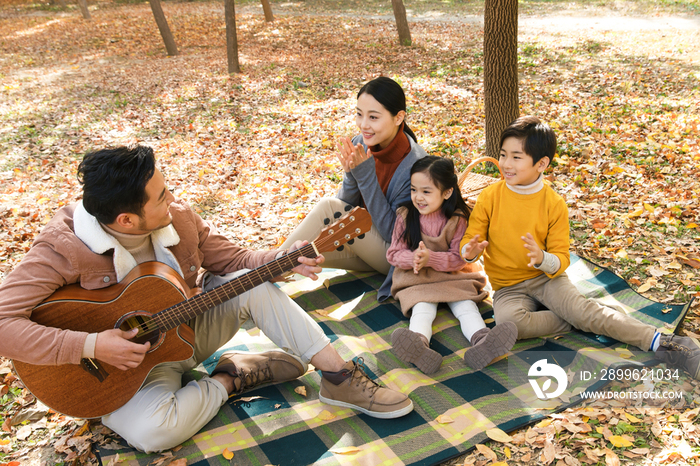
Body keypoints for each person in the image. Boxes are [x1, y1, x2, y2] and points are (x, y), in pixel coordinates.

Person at [0, 146, 414, 454]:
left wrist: (283, 260)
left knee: (251, 282)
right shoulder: (63, 248)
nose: (172, 198)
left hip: (185, 333)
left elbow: (233, 260)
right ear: (126, 220)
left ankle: (339, 377)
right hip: (115, 373)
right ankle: (231, 376)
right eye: (160, 195)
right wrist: (91, 345)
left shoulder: (178, 218)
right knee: (152, 435)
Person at [460, 116, 700, 379]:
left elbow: (561, 259)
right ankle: (579, 317)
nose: (505, 163)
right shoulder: (490, 196)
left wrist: (542, 258)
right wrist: (469, 251)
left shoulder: (553, 203)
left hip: (546, 279)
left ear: (541, 164)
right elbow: (471, 239)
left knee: (581, 310)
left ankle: (664, 343)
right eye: (503, 155)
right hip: (507, 286)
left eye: (516, 157)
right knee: (509, 324)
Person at [281, 76, 427, 301]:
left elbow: (393, 234)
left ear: (399, 118)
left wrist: (366, 176)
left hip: (394, 256)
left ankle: (263, 267)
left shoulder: (416, 166)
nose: (363, 124)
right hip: (360, 243)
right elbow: (344, 209)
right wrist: (351, 174)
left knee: (327, 207)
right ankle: (264, 273)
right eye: (359, 114)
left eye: (373, 117)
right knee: (305, 251)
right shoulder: (362, 142)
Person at [386, 156, 517, 374]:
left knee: (466, 306)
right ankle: (418, 346)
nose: (418, 197)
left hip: (454, 275)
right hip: (419, 278)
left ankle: (483, 342)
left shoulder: (458, 219)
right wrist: (414, 259)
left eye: (426, 192)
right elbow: (393, 254)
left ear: (446, 192)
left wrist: (432, 258)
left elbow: (458, 258)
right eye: (414, 190)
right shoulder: (406, 215)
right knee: (423, 308)